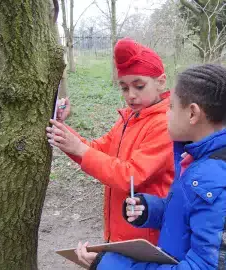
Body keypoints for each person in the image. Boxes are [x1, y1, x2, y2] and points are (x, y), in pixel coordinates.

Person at [76, 64, 226, 269]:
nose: (166, 114)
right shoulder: (203, 158)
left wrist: (109, 266)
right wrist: (153, 210)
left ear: (193, 114)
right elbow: (195, 217)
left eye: (171, 107)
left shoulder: (220, 189)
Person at [46, 38, 174, 245]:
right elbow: (96, 150)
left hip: (146, 236)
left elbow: (131, 176)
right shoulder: (129, 118)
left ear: (160, 82)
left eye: (139, 86)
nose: (131, 95)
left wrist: (80, 149)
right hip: (121, 231)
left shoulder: (165, 124)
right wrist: (63, 131)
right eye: (124, 88)